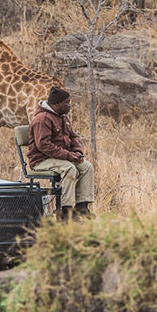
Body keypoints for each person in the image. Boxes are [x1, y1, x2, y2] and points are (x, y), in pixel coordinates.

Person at [27, 86, 95, 220]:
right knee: (69, 168)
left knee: (87, 167)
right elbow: (43, 145)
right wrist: (69, 156)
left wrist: (77, 151)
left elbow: (73, 136)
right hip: (41, 160)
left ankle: (82, 206)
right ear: (57, 104)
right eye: (67, 103)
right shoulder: (42, 119)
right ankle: (66, 210)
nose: (69, 106)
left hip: (60, 158)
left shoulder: (63, 117)